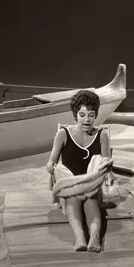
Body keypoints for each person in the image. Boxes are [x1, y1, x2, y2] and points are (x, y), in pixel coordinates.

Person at [46, 90, 112, 252]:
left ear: (96, 114)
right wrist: (50, 166)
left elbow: (106, 163)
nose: (87, 119)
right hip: (70, 184)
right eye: (82, 115)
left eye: (91, 115)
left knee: (90, 202)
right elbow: (52, 160)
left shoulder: (102, 135)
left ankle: (95, 238)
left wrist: (105, 169)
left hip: (91, 184)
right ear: (76, 115)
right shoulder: (63, 134)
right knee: (73, 200)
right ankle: (80, 237)